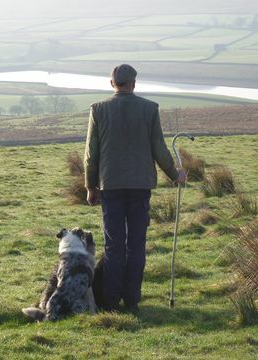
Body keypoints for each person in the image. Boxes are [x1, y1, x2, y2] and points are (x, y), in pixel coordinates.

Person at [84, 64, 186, 312]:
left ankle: (110, 300)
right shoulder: (149, 109)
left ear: (112, 83)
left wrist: (90, 186)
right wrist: (175, 174)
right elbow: (159, 148)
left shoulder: (98, 110)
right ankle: (132, 300)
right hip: (140, 187)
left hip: (111, 186)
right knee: (136, 244)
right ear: (134, 83)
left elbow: (91, 154)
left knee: (114, 245)